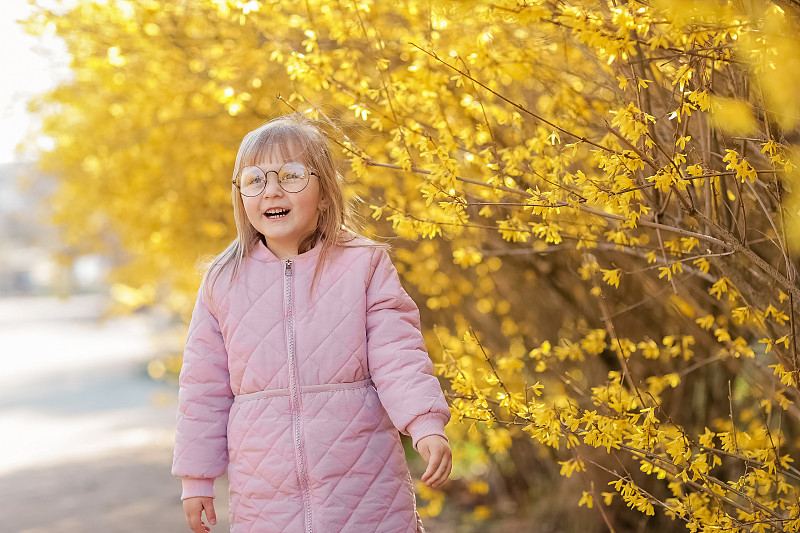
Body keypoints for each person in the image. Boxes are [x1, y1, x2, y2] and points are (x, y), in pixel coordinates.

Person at [172, 113, 452, 533]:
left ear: (324, 192)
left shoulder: (364, 264)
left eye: (291, 175)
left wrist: (424, 422)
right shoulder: (223, 281)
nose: (272, 190)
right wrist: (197, 479)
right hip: (266, 496)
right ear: (241, 197)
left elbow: (398, 354)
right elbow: (202, 388)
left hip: (363, 488)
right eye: (255, 180)